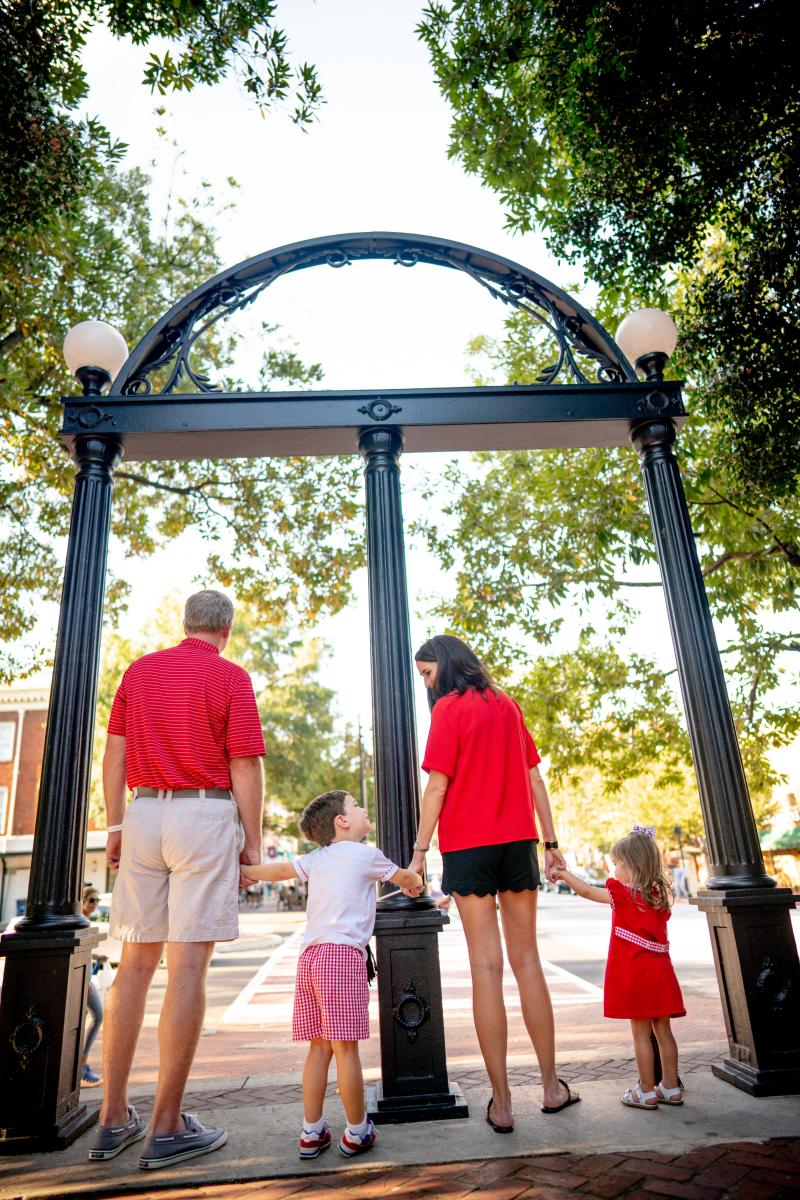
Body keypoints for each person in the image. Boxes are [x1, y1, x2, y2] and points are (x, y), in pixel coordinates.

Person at [88, 589, 266, 1169]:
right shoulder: (230, 677)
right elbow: (244, 763)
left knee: (134, 964)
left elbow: (113, 754)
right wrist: (253, 840)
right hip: (203, 813)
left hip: (142, 813)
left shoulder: (139, 672)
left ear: (185, 624)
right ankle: (167, 1125)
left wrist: (115, 824)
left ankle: (112, 1118)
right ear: (226, 629)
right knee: (187, 966)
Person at [410, 634, 579, 1129]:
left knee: (486, 969)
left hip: (467, 848)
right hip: (517, 845)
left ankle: (502, 1104)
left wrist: (420, 851)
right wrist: (551, 844)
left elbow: (437, 785)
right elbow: (534, 779)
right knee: (528, 964)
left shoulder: (448, 712)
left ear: (445, 664)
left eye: (426, 672)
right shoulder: (507, 705)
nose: (427, 682)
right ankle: (551, 1087)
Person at [242, 790, 423, 1159]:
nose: (363, 809)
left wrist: (242, 871)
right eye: (356, 806)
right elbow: (405, 877)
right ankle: (357, 1131)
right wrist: (414, 883)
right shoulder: (367, 855)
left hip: (311, 957)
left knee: (319, 1047)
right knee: (346, 1048)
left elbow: (278, 871)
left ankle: (312, 1131)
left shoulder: (316, 859)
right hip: (342, 958)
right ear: (342, 822)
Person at [554, 825, 686, 1110]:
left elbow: (588, 891)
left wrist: (564, 874)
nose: (613, 869)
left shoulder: (623, 895)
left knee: (640, 1034)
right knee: (664, 1031)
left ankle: (646, 1091)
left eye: (616, 864)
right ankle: (671, 1087)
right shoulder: (659, 896)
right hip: (661, 973)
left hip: (635, 975)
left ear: (631, 866)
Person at [80, 886, 105, 1087]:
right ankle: (82, 1064)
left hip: (83, 976)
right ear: (82, 901)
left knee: (84, 1019)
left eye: (97, 901)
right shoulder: (79, 920)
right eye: (91, 900)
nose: (95, 904)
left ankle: (80, 1065)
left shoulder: (84, 920)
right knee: (98, 1015)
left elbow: (85, 951)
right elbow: (79, 950)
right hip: (82, 978)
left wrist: (97, 957)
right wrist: (86, 978)